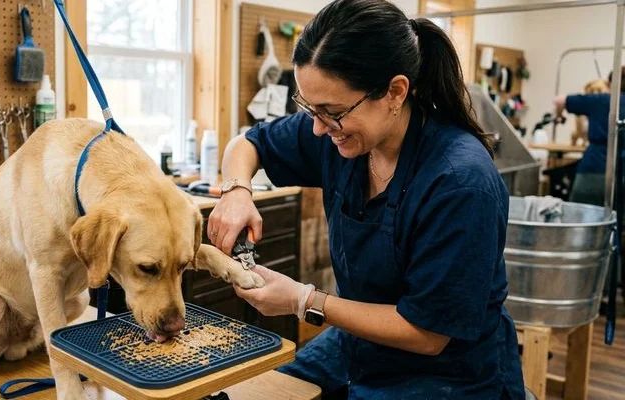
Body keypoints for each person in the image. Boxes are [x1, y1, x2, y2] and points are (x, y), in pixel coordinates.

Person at [206, 0, 525, 398]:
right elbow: (247, 142)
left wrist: (304, 300)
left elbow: (428, 333)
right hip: (356, 346)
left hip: (447, 375)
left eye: (332, 111)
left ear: (394, 92)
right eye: (309, 107)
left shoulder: (460, 183)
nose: (319, 128)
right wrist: (237, 191)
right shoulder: (341, 135)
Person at [554, 68, 625, 206]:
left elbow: (559, 100)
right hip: (621, 173)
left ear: (611, 84)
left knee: (580, 218)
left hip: (594, 169)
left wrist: (559, 116)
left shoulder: (600, 100)